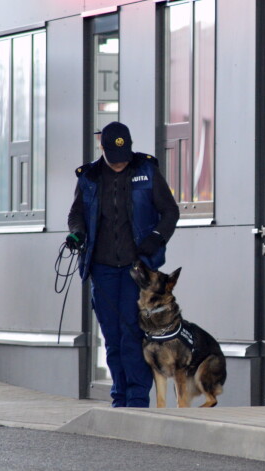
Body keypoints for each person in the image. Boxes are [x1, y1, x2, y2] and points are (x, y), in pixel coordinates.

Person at [66, 121, 180, 407]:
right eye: (113, 158)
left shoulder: (146, 171)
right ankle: (119, 395)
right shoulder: (89, 177)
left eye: (124, 156)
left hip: (137, 270)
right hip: (101, 268)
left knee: (133, 333)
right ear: (101, 148)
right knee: (112, 336)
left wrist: (156, 238)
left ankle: (138, 397)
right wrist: (76, 234)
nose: (119, 164)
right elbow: (76, 213)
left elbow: (169, 211)